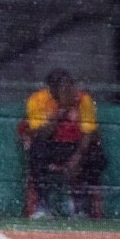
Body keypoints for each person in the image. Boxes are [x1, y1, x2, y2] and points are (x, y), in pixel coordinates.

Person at [24, 68, 105, 219]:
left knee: (95, 155)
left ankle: (80, 206)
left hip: (76, 145)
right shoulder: (37, 100)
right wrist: (59, 112)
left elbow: (89, 132)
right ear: (53, 89)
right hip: (52, 145)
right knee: (36, 151)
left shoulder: (83, 99)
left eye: (70, 86)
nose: (70, 90)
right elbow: (40, 134)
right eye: (63, 87)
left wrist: (77, 157)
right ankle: (42, 206)